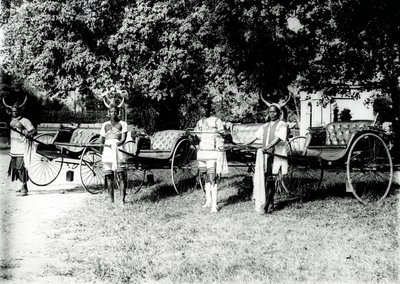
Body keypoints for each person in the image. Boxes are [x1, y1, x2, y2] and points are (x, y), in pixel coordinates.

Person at [194, 99, 228, 213]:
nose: (204, 110)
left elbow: (223, 134)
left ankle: (214, 205)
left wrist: (220, 135)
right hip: (202, 152)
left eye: (206, 108)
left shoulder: (216, 121)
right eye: (202, 108)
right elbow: (197, 137)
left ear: (209, 109)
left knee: (212, 177)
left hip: (212, 152)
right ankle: (208, 201)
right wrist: (192, 136)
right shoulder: (199, 123)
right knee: (205, 177)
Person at [253, 104, 288, 214]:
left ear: (279, 113)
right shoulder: (265, 126)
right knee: (265, 178)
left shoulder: (282, 124)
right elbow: (256, 136)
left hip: (276, 153)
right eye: (270, 112)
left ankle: (267, 205)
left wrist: (268, 146)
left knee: (271, 179)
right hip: (265, 154)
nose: (272, 114)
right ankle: (269, 203)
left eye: (274, 112)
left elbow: (278, 138)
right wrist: (245, 144)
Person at [3, 96, 37, 196]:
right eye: (13, 111)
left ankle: (24, 189)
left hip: (22, 147)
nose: (14, 113)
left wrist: (29, 134)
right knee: (15, 167)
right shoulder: (11, 121)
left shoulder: (25, 121)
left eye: (16, 111)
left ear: (19, 111)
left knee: (20, 167)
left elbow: (34, 131)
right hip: (14, 147)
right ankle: (23, 186)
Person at [99, 95, 128, 203]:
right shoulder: (105, 125)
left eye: (115, 111)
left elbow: (123, 138)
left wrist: (117, 144)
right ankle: (111, 200)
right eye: (111, 111)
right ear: (108, 112)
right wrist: (101, 147)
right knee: (109, 176)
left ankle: (122, 200)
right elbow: (101, 139)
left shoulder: (123, 124)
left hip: (118, 152)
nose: (113, 113)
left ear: (118, 112)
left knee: (121, 175)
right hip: (107, 152)